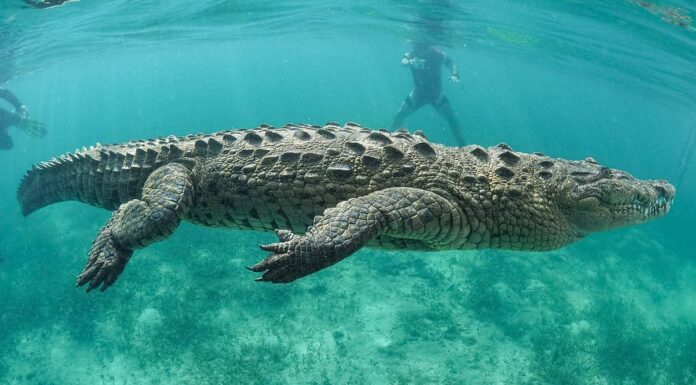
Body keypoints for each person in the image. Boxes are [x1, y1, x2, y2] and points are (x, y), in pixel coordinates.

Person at [391, 41, 466, 145]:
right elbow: (403, 61)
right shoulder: (411, 55)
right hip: (418, 93)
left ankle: (463, 145)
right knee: (399, 114)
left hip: (436, 94)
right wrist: (409, 62)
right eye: (418, 48)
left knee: (451, 118)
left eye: (423, 48)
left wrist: (455, 74)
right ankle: (391, 141)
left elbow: (450, 62)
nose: (421, 51)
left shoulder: (437, 54)